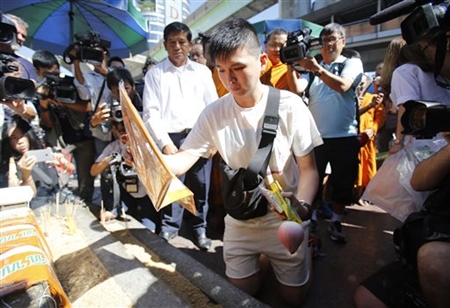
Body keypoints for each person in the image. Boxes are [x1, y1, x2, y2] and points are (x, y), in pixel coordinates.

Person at [156, 18, 321, 306]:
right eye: (220, 71)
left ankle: (300, 252)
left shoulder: (290, 105)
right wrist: (148, 160)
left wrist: (303, 208)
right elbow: (182, 161)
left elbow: (309, 170)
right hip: (240, 220)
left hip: (285, 222)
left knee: (293, 298)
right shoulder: (213, 113)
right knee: (241, 293)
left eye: (238, 68)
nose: (229, 79)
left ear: (261, 61)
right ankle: (263, 260)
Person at [142, 21, 218, 250]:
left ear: (189, 44)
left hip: (200, 137)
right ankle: (169, 227)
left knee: (200, 186)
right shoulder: (155, 75)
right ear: (165, 45)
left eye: (181, 42)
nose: (177, 46)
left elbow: (213, 107)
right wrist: (164, 143)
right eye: (172, 42)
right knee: (173, 185)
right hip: (171, 138)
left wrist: (213, 139)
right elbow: (150, 113)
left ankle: (199, 229)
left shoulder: (202, 72)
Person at [296, 22, 364, 242]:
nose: (328, 44)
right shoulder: (312, 71)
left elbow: (343, 86)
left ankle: (335, 219)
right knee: (312, 181)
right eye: (324, 40)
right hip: (316, 138)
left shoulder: (351, 63)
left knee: (342, 183)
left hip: (344, 136)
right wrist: (291, 63)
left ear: (343, 42)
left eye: (333, 39)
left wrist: (316, 68)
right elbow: (297, 89)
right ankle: (313, 217)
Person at [33, 50, 96, 204]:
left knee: (86, 182)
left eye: (56, 72)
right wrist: (44, 105)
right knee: (60, 179)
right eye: (49, 74)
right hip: (60, 142)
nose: (54, 77)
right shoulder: (37, 92)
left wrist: (65, 102)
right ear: (38, 71)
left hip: (83, 137)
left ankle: (85, 206)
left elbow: (89, 106)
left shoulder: (70, 83)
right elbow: (46, 123)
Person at [90, 115, 160, 231]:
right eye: (119, 129)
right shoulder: (114, 147)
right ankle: (112, 209)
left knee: (149, 229)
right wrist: (110, 159)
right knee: (106, 173)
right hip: (125, 191)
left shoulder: (145, 145)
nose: (123, 133)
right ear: (114, 130)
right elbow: (93, 171)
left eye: (125, 128)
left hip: (147, 193)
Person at [0, 117, 78, 209]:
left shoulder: (43, 152)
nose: (20, 142)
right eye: (14, 138)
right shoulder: (10, 166)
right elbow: (27, 196)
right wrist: (26, 175)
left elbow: (71, 169)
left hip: (57, 203)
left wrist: (64, 164)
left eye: (22, 136)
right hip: (36, 208)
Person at [354, 74, 385, 201]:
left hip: (367, 139)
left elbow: (380, 119)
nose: (361, 87)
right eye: (359, 84)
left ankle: (363, 195)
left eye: (363, 84)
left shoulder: (372, 99)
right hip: (349, 137)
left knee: (367, 167)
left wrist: (372, 130)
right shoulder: (349, 98)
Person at [260, 28, 305, 94]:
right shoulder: (258, 64)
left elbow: (295, 90)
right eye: (273, 45)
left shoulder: (292, 67)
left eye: (282, 46)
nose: (277, 49)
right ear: (266, 45)